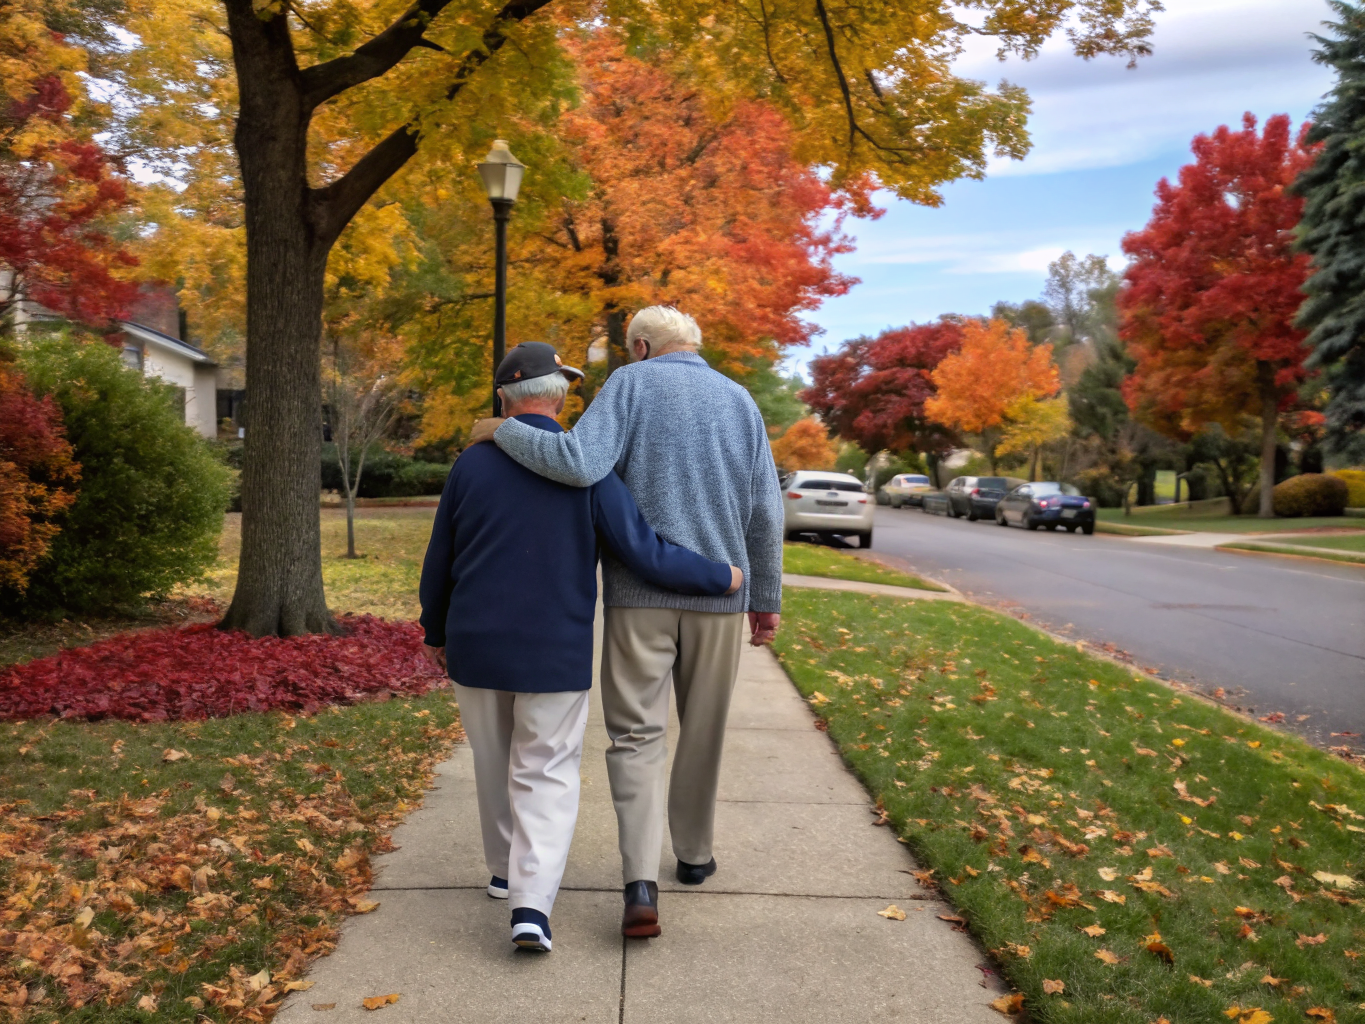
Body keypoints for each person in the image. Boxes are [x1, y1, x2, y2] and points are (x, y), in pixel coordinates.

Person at [468, 306, 783, 939]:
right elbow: (764, 507)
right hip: (723, 599)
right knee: (704, 730)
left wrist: (499, 430)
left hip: (640, 599)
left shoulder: (631, 385)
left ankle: (640, 883)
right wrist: (766, 595)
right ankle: (693, 855)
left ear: (640, 346)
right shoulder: (740, 399)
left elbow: (581, 462)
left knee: (636, 738)